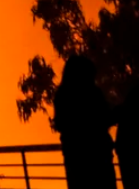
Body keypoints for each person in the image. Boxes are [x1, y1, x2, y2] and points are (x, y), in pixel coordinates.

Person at [53, 55, 116, 189]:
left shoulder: (62, 95)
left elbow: (60, 123)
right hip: (98, 155)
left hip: (75, 157)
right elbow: (103, 118)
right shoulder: (92, 93)